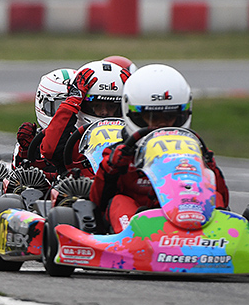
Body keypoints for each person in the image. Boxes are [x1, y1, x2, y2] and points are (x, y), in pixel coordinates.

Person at [90, 64, 230, 233]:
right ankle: (131, 239)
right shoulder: (117, 154)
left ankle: (222, 235)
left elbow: (223, 199)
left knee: (216, 198)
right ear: (133, 113)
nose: (162, 124)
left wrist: (209, 165)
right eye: (153, 117)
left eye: (169, 116)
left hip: (188, 216)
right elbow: (98, 202)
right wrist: (112, 168)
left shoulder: (195, 153)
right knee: (119, 201)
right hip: (140, 225)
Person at [38, 60, 131, 174]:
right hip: (83, 183)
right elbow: (50, 151)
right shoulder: (73, 139)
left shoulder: (132, 136)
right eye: (96, 106)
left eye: (111, 106)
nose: (104, 112)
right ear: (81, 104)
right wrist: (72, 101)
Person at [13, 67, 78, 173]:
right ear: (42, 104)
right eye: (59, 107)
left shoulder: (88, 137)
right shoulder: (35, 142)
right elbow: (20, 177)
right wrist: (25, 152)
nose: (65, 114)